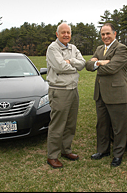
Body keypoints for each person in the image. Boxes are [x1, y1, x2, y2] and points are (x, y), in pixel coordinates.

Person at [85, 23, 127, 167]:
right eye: (103, 34)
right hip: (100, 94)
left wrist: (97, 64)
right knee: (102, 125)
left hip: (117, 93)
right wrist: (101, 62)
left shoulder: (121, 48)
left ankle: (118, 154)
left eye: (108, 33)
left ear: (114, 34)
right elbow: (88, 66)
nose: (105, 37)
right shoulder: (99, 49)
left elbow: (111, 68)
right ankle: (103, 150)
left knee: (118, 127)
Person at [46, 22, 86, 169]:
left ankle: (66, 150)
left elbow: (82, 64)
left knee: (70, 123)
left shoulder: (73, 48)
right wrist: (73, 67)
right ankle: (52, 156)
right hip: (59, 90)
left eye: (68, 32)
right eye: (63, 32)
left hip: (73, 90)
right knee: (58, 124)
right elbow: (60, 67)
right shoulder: (52, 48)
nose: (66, 35)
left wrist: (72, 62)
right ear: (57, 34)